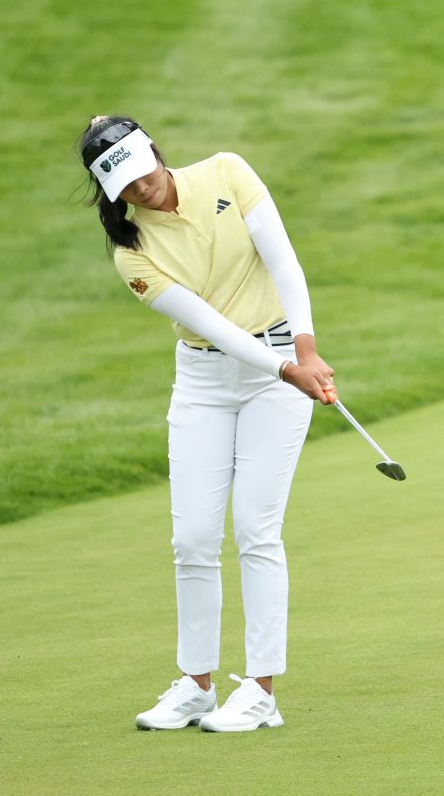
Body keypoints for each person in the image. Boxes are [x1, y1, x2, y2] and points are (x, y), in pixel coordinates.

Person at [77, 115, 336, 732]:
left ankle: (261, 692)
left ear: (154, 154)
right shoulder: (131, 252)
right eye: (123, 184)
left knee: (254, 528)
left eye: (141, 170)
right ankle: (196, 684)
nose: (139, 188)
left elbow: (285, 263)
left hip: (278, 365)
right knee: (192, 538)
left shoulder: (227, 171)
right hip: (204, 380)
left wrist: (304, 350)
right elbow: (211, 326)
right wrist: (285, 370)